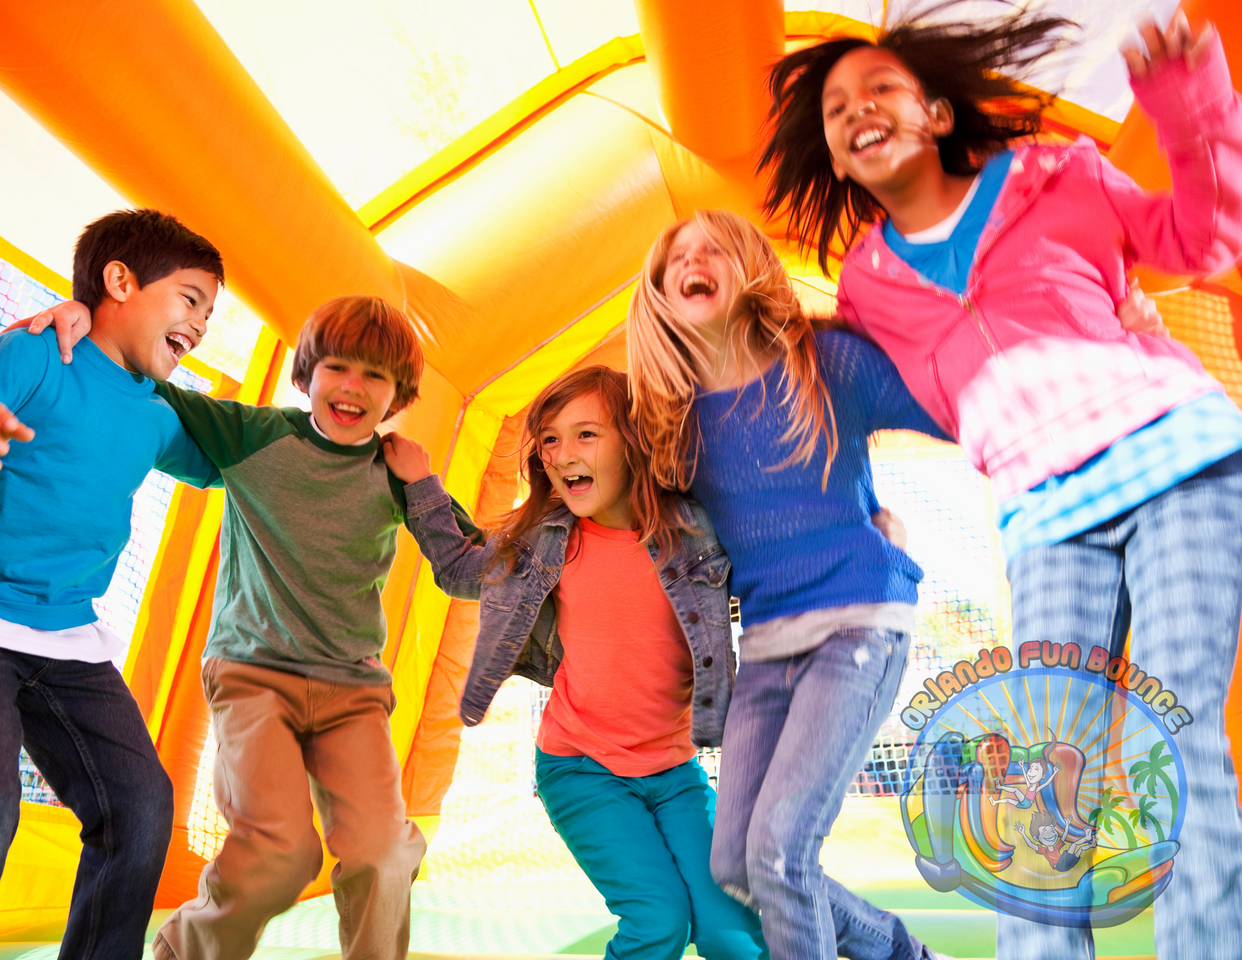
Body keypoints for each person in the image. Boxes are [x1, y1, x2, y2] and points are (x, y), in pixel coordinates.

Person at [760, 5, 1242, 958]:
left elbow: (1203, 243)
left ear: (937, 113)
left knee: (1176, 720)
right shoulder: (866, 287)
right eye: (836, 109)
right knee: (1037, 767)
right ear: (838, 156)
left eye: (880, 89)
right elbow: (920, 402)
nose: (857, 110)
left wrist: (1190, 112)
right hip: (1045, 513)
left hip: (1171, 458)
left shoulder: (1057, 177)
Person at [626, 208, 952, 960]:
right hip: (768, 647)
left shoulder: (825, 362)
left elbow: (956, 403)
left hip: (860, 621)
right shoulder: (673, 425)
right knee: (737, 863)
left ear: (747, 269)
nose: (691, 261)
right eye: (674, 257)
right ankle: (901, 953)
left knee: (780, 847)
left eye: (712, 248)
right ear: (659, 294)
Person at [383, 364, 769, 960]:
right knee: (658, 920)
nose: (564, 454)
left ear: (634, 440)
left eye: (586, 434)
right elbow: (462, 567)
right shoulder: (546, 542)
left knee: (731, 931)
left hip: (675, 772)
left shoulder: (693, 535)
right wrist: (421, 484)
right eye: (550, 439)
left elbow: (772, 578)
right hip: (581, 767)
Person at [137, 296, 446, 960]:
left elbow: (470, 566)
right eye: (338, 366)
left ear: (397, 397)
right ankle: (180, 953)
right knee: (280, 854)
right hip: (254, 678)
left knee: (383, 857)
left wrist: (424, 485)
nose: (352, 388)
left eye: (375, 376)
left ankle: (390, 842)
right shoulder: (254, 436)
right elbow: (150, 374)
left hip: (352, 693)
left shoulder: (396, 475)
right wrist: (75, 324)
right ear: (307, 373)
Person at [0, 208, 224, 960]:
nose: (201, 323)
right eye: (190, 299)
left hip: (66, 638)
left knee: (139, 806)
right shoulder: (38, 353)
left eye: (210, 312)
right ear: (120, 281)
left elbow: (244, 461)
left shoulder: (158, 418)